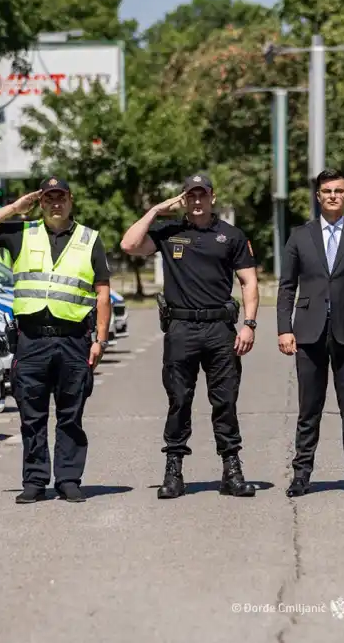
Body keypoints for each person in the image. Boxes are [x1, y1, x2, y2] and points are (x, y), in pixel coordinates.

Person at [0, 177, 112, 504]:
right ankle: (34, 481)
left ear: (70, 200)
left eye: (60, 198)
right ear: (41, 201)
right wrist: (16, 207)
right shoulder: (21, 233)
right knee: (31, 417)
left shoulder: (90, 239)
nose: (55, 204)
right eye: (48, 199)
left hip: (74, 339)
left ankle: (69, 480)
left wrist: (100, 340)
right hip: (31, 340)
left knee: (70, 416)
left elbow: (102, 293)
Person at [120, 173, 259, 499]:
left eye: (203, 195)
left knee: (225, 401)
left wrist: (249, 324)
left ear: (212, 197)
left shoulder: (231, 235)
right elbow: (128, 245)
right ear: (184, 198)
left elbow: (249, 282)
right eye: (191, 195)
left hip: (219, 330)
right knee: (179, 400)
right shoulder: (169, 232)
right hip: (181, 329)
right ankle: (174, 471)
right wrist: (156, 210)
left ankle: (231, 470)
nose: (197, 201)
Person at [276, 169, 344, 498]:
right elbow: (286, 287)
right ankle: (301, 474)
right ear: (318, 196)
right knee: (309, 408)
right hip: (308, 333)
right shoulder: (299, 236)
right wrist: (284, 328)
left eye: (339, 190)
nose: (333, 195)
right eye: (327, 191)